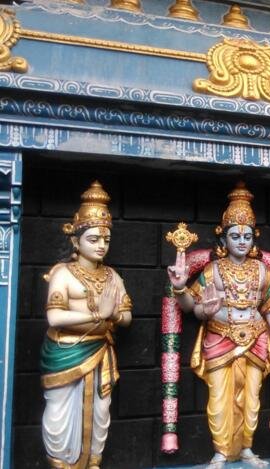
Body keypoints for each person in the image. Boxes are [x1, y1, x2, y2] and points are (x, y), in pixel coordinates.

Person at [167, 182, 270, 468]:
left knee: (252, 399)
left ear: (253, 239)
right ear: (223, 238)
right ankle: (221, 451)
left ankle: (246, 449)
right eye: (235, 236)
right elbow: (192, 307)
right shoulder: (213, 270)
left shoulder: (262, 270)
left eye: (247, 236)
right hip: (219, 339)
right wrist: (182, 290)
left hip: (256, 338)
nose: (242, 241)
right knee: (219, 398)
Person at [41, 181, 132, 469]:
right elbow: (55, 317)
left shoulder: (112, 276)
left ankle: (93, 463)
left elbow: (126, 316)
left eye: (106, 240)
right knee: (60, 412)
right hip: (65, 351)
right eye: (93, 239)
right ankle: (61, 464)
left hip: (101, 353)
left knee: (100, 412)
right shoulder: (63, 274)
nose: (101, 245)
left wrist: (113, 315)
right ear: (75, 241)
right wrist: (97, 315)